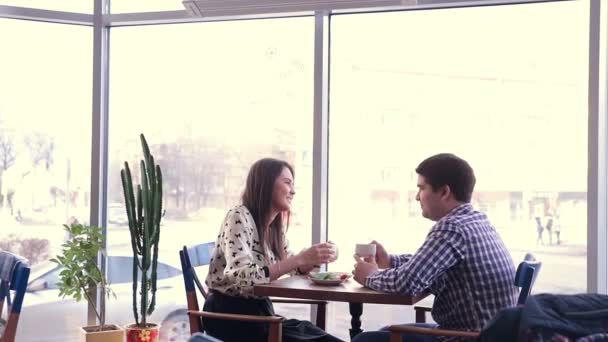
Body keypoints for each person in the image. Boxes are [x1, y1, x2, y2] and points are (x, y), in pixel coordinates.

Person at [351, 153, 517, 342]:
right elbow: (432, 263)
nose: (416, 197)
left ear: (444, 192)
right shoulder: (476, 220)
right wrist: (389, 261)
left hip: (467, 337)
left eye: (421, 188)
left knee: (363, 340)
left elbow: (408, 282)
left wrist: (369, 275)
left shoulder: (453, 228)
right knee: (383, 332)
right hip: (489, 333)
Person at [204, 158, 343, 342]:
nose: (293, 191)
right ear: (266, 184)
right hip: (230, 317)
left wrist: (315, 257)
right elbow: (242, 279)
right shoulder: (238, 217)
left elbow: (292, 265)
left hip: (261, 316)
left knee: (318, 334)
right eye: (287, 183)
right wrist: (299, 259)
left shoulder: (272, 227)